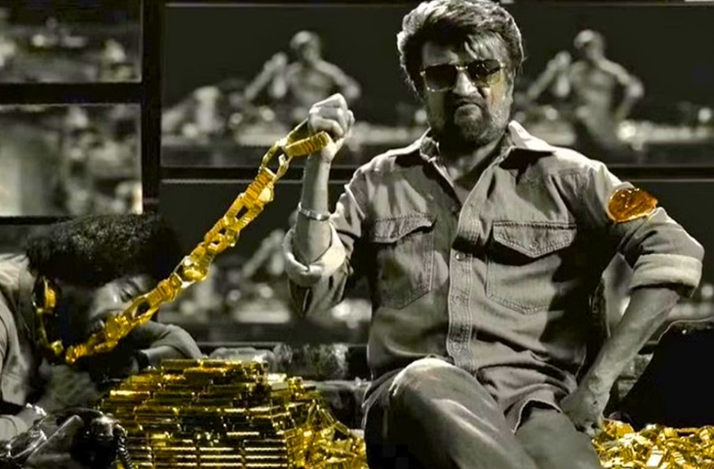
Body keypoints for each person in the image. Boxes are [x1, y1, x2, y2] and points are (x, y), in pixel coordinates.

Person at [282, 1, 703, 468]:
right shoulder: (377, 182)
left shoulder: (574, 178)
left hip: (533, 408)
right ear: (421, 86)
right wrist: (318, 165)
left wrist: (597, 386)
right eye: (442, 75)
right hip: (410, 410)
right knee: (425, 378)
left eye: (482, 70)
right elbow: (313, 289)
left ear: (512, 77)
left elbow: (674, 251)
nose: (463, 88)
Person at [0, 214, 203, 441]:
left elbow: (177, 344)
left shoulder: (70, 316)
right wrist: (50, 405)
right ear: (83, 270)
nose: (126, 316)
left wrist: (147, 352)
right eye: (127, 294)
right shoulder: (4, 308)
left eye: (141, 309)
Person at [526, 30, 644, 163]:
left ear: (600, 47)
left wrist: (619, 114)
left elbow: (635, 90)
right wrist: (560, 72)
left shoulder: (612, 71)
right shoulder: (576, 71)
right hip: (583, 128)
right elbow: (561, 93)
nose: (587, 51)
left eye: (590, 46)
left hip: (604, 124)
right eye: (583, 48)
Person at [244, 30, 361, 127]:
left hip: (321, 117)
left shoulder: (329, 72)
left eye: (310, 48)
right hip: (296, 119)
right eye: (302, 50)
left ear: (317, 49)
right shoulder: (291, 72)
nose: (306, 54)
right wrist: (278, 72)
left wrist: (336, 108)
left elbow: (352, 91)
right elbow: (277, 95)